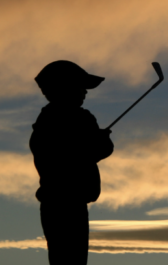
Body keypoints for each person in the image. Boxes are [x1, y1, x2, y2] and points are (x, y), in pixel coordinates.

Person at [30, 60, 114, 265]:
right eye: (80, 86)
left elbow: (92, 151)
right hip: (65, 205)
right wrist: (98, 142)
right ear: (63, 88)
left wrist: (97, 142)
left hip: (64, 204)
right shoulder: (69, 120)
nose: (85, 92)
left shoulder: (50, 121)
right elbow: (84, 154)